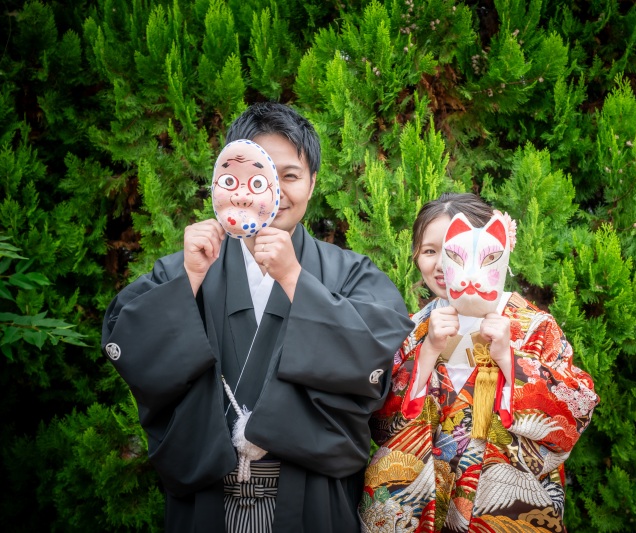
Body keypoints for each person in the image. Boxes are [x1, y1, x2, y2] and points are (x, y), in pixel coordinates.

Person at [102, 102, 414, 533]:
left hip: (311, 496)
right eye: (258, 176)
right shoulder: (187, 266)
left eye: (289, 176)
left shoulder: (352, 273)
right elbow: (127, 343)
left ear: (313, 182)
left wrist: (293, 278)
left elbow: (376, 355)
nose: (274, 192)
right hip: (207, 497)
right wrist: (191, 277)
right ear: (224, 180)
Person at [360, 193, 599, 532]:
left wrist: (508, 358)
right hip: (417, 509)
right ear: (416, 257)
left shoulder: (535, 327)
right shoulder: (410, 330)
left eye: (453, 249)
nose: (443, 264)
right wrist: (427, 352)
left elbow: (577, 411)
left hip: (505, 510)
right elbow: (377, 422)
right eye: (430, 251)